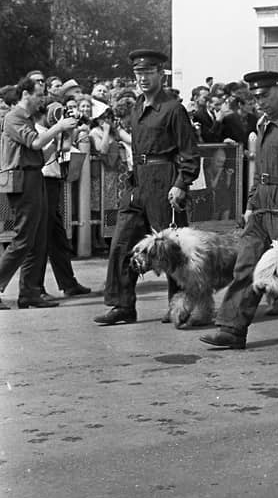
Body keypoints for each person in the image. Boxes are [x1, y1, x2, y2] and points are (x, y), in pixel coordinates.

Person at [200, 70, 278, 349]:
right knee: (246, 265)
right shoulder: (264, 124)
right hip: (263, 203)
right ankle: (231, 329)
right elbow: (260, 171)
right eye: (255, 98)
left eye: (265, 95)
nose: (260, 102)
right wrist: (251, 204)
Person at [93, 49, 200, 325]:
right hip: (138, 181)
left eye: (148, 72)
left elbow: (189, 152)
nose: (142, 78)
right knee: (121, 244)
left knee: (170, 248)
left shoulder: (173, 109)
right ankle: (122, 305)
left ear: (160, 74)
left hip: (164, 180)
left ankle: (179, 306)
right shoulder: (137, 107)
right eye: (138, 73)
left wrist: (181, 183)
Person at [0, 77, 77, 309]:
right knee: (23, 238)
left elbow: (41, 154)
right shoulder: (13, 118)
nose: (42, 100)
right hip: (22, 180)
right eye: (39, 95)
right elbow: (34, 144)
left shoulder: (27, 119)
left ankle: (29, 291)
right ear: (26, 94)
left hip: (34, 175)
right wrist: (58, 128)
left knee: (36, 238)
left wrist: (62, 137)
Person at [36, 102, 91, 300]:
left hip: (53, 182)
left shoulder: (52, 131)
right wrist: (59, 130)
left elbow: (66, 148)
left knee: (57, 237)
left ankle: (68, 282)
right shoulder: (40, 131)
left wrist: (68, 131)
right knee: (40, 238)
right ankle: (36, 288)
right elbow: (42, 151)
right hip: (41, 182)